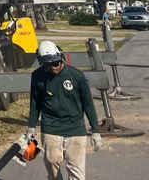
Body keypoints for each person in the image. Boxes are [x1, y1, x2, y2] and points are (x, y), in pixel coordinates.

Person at [26, 40, 102, 180]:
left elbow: (88, 103)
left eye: (56, 63)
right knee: (51, 161)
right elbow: (35, 102)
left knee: (76, 169)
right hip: (51, 126)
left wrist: (95, 130)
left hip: (75, 128)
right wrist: (31, 127)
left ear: (61, 58)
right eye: (49, 65)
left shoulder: (76, 76)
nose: (54, 67)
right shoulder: (37, 76)